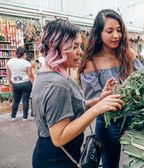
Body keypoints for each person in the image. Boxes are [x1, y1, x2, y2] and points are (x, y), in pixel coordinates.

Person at [31, 19, 124, 168]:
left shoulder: (47, 74)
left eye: (80, 45)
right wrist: (97, 110)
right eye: (75, 46)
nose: (81, 51)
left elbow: (69, 110)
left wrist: (99, 100)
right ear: (58, 47)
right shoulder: (56, 84)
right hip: (57, 160)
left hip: (53, 155)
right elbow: (59, 138)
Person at [79, 9, 144, 168]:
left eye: (119, 30)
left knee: (142, 161)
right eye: (110, 31)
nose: (116, 35)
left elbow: (143, 82)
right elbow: (94, 103)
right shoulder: (90, 63)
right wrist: (108, 96)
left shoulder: (127, 54)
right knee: (110, 164)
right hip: (109, 124)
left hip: (135, 118)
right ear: (98, 33)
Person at [7, 47, 33, 121]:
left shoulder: (10, 62)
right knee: (25, 100)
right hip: (26, 83)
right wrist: (33, 84)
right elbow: (30, 75)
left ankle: (13, 117)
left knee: (16, 100)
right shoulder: (27, 63)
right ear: (24, 54)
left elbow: (8, 74)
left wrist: (10, 83)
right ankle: (25, 117)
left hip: (15, 83)